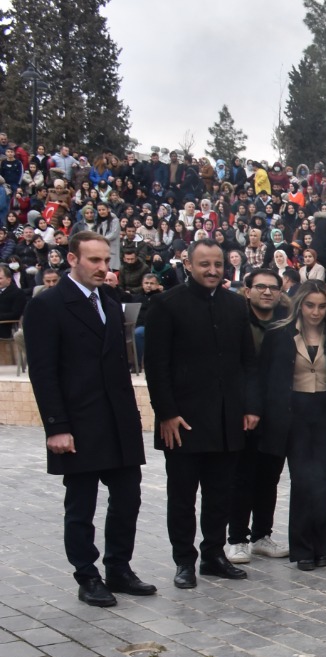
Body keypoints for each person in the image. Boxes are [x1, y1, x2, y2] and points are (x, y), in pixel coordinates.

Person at [25, 231, 155, 607]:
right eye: (94, 261)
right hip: (78, 423)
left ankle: (119, 567)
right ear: (72, 260)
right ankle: (87, 575)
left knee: (128, 496)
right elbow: (43, 372)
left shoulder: (110, 302)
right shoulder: (48, 305)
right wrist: (57, 427)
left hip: (118, 420)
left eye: (106, 261)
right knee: (81, 504)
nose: (103, 268)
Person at [142, 239, 258, 589]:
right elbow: (156, 366)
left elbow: (247, 362)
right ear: (188, 265)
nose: (212, 270)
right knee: (182, 496)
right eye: (204, 264)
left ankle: (213, 555)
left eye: (218, 264)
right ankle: (184, 561)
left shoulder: (237, 305)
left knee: (220, 494)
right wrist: (166, 413)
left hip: (226, 418)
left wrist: (251, 406)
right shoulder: (166, 304)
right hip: (182, 420)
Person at [255, 281, 326, 570]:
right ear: (300, 304)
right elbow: (264, 377)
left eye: (322, 306)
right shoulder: (279, 335)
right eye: (310, 305)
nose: (315, 311)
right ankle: (302, 548)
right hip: (293, 413)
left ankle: (322, 547)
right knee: (301, 480)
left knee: (321, 480)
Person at [225, 268, 289, 564]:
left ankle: (262, 534)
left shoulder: (288, 322)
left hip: (277, 411)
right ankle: (236, 538)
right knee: (242, 477)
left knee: (270, 476)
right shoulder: (236, 321)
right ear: (247, 290)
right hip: (244, 412)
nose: (267, 292)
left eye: (273, 287)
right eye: (260, 287)